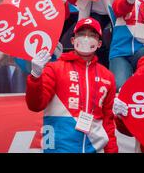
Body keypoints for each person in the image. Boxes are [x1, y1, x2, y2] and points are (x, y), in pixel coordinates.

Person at [25, 17, 118, 153]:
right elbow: (35, 105)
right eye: (81, 34)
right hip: (60, 148)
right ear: (73, 40)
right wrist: (35, 76)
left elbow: (108, 122)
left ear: (99, 44)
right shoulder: (54, 68)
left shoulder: (107, 76)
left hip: (94, 148)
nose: (86, 38)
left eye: (92, 35)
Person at [108, 0, 144, 90]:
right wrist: (128, 0)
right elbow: (119, 8)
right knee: (119, 87)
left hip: (143, 50)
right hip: (120, 53)